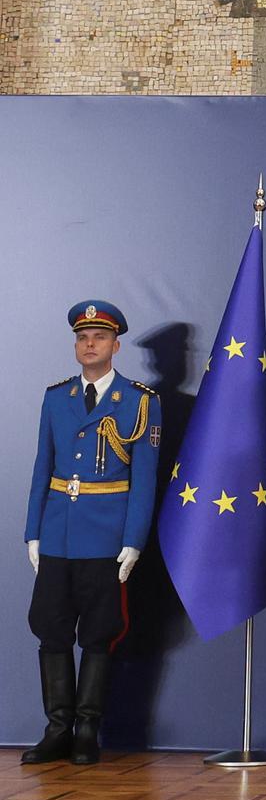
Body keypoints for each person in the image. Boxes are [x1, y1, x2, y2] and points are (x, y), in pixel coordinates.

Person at [22, 301, 161, 766]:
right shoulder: (55, 396)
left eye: (99, 337)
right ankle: (56, 729)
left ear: (115, 345)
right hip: (58, 532)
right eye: (82, 338)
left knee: (99, 633)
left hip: (106, 535)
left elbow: (144, 478)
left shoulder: (140, 401)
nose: (89, 344)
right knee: (51, 630)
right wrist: (32, 532)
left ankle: (86, 730)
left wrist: (134, 540)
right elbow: (43, 467)